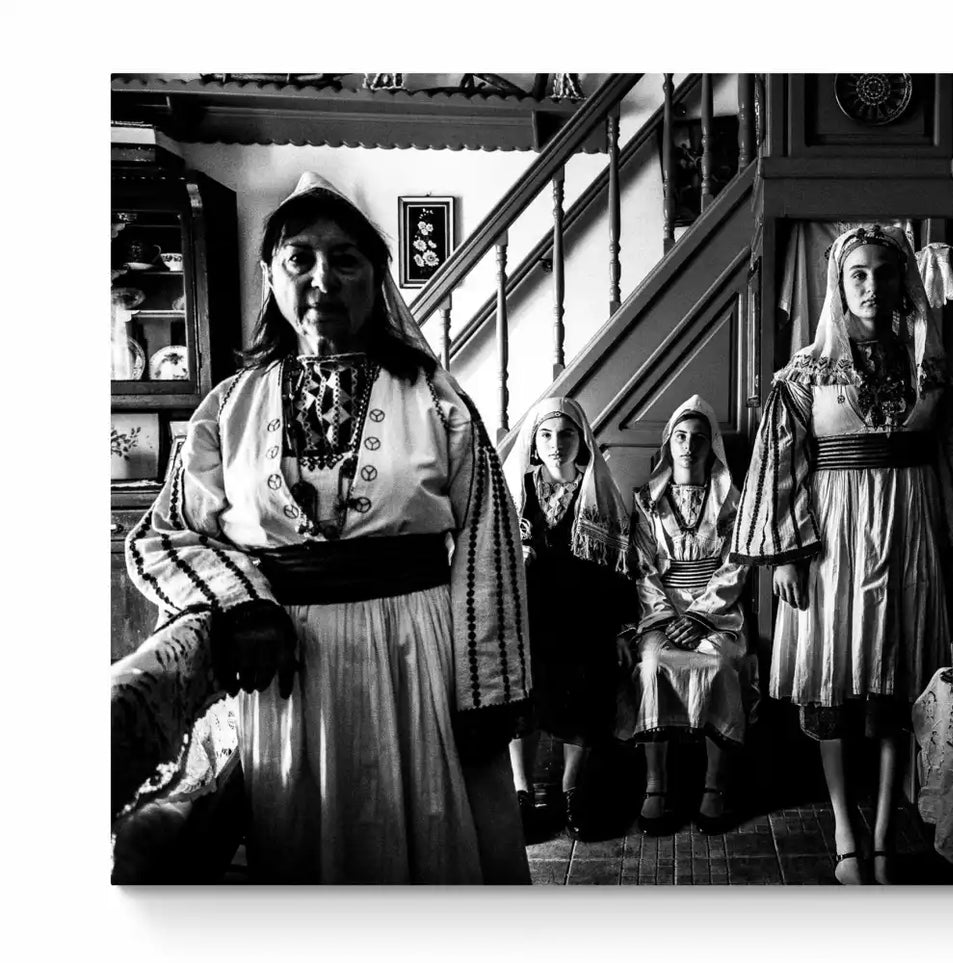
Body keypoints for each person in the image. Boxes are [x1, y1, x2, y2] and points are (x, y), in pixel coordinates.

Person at [124, 172, 532, 884]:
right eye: (300, 258)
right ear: (269, 276)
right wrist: (242, 600)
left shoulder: (433, 398)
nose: (323, 278)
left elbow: (489, 544)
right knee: (308, 849)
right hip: (288, 675)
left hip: (418, 656)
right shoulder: (227, 408)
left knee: (428, 839)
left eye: (346, 259)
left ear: (376, 278)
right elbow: (163, 537)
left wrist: (487, 692)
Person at [731, 224, 953, 884]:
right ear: (838, 285)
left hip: (912, 544)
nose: (872, 285)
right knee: (834, 683)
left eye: (883, 272)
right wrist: (785, 552)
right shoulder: (804, 375)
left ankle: (882, 829)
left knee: (897, 684)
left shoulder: (930, 372)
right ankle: (845, 829)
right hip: (832, 549)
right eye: (858, 274)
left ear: (904, 282)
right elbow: (779, 465)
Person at [501, 397, 636, 840]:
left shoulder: (598, 487)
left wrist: (619, 628)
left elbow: (619, 568)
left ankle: (571, 788)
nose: (556, 445)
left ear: (583, 440)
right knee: (522, 691)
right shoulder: (516, 491)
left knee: (588, 680)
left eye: (566, 435)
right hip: (529, 614)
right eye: (546, 435)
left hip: (583, 614)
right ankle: (523, 793)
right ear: (534, 442)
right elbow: (493, 557)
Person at [618, 396, 755, 835]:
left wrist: (700, 615)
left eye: (698, 438)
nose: (688, 446)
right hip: (661, 610)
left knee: (718, 663)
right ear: (668, 443)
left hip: (718, 611)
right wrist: (664, 617)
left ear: (711, 446)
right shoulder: (646, 503)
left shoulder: (732, 502)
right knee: (653, 665)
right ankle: (655, 784)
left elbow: (737, 563)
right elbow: (643, 569)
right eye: (680, 436)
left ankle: (714, 785)